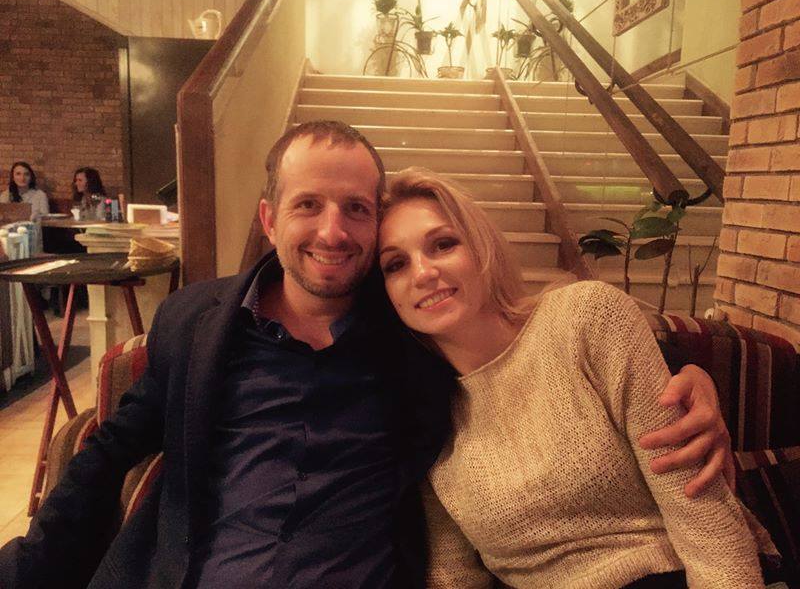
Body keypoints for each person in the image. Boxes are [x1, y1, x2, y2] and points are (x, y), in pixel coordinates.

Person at [0, 121, 733, 588]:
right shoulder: (195, 322)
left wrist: (696, 377)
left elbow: (553, 346)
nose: (333, 231)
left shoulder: (409, 335)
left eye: (356, 208)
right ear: (269, 218)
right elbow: (105, 453)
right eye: (308, 205)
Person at [377, 167, 774, 588]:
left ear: (480, 247)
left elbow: (699, 511)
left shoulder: (586, 318)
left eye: (443, 245)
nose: (423, 273)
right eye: (396, 264)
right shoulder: (423, 411)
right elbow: (453, 573)